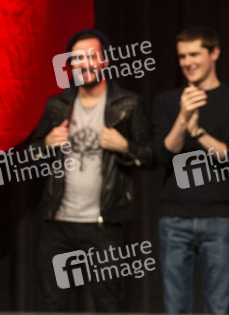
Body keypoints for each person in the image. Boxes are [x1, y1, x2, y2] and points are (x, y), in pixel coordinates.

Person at [28, 29, 153, 312]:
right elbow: (31, 154)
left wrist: (125, 147)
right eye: (76, 58)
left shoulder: (127, 105)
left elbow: (150, 157)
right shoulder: (57, 106)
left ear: (105, 61)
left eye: (90, 56)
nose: (83, 64)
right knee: (53, 304)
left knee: (108, 304)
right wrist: (46, 144)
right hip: (57, 224)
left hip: (103, 225)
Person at [151, 27, 229, 314]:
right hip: (174, 217)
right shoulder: (167, 101)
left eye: (194, 54)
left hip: (219, 217)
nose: (187, 62)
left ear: (214, 53)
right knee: (175, 308)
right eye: (182, 56)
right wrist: (183, 118)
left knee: (220, 307)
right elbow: (163, 154)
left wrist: (198, 132)